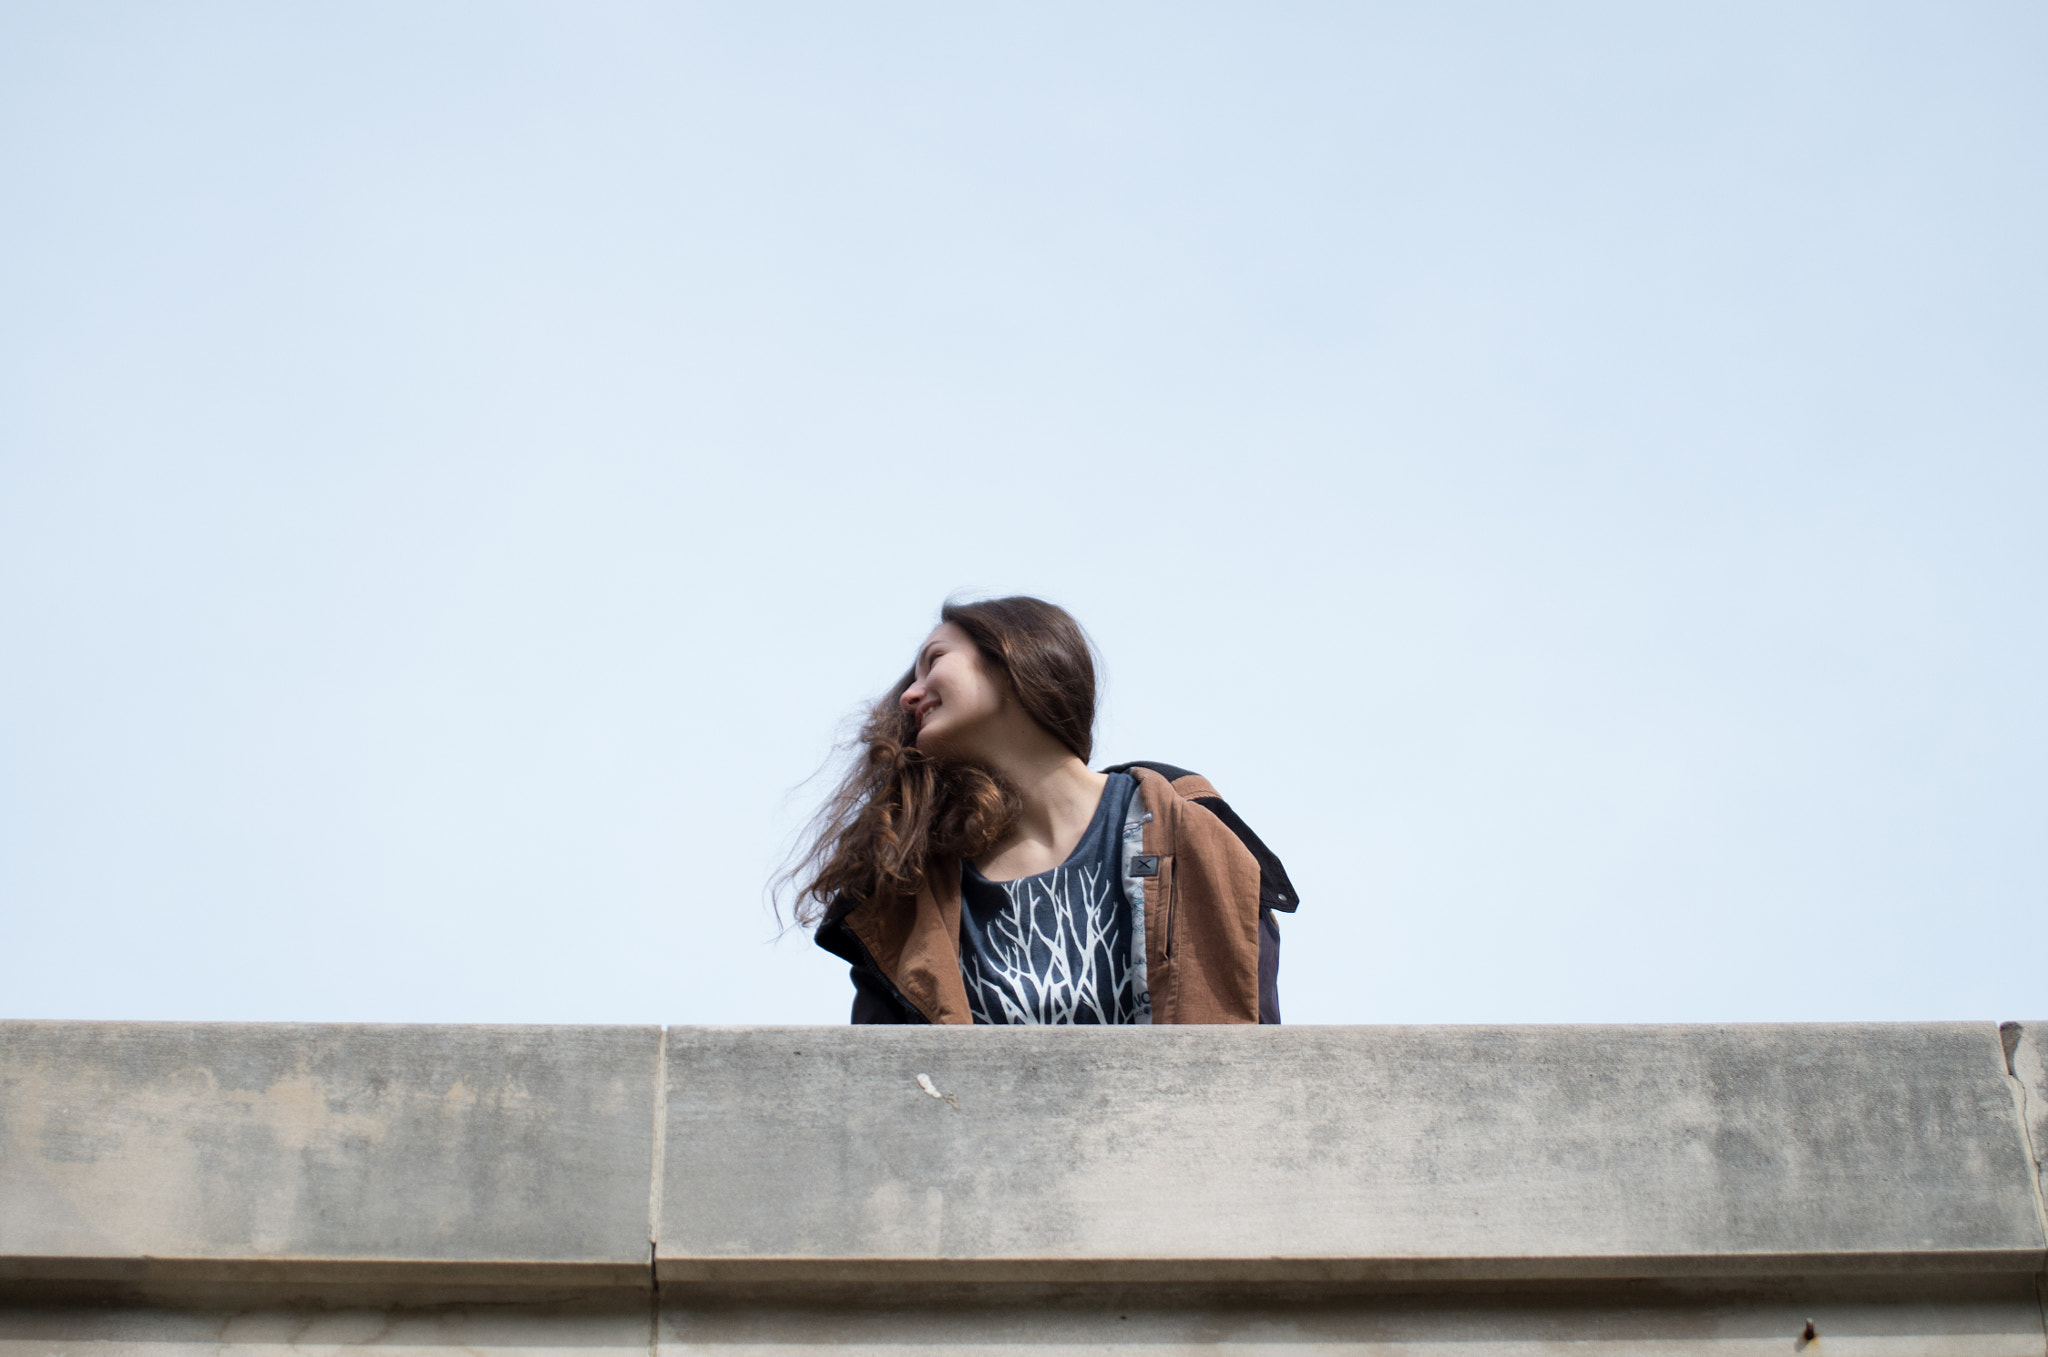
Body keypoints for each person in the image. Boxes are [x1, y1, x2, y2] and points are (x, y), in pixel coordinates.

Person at [786, 595, 1297, 1025]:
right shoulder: (908, 897)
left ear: (1012, 658)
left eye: (934, 661)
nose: (909, 695)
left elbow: (1256, 1041)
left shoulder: (1189, 827)